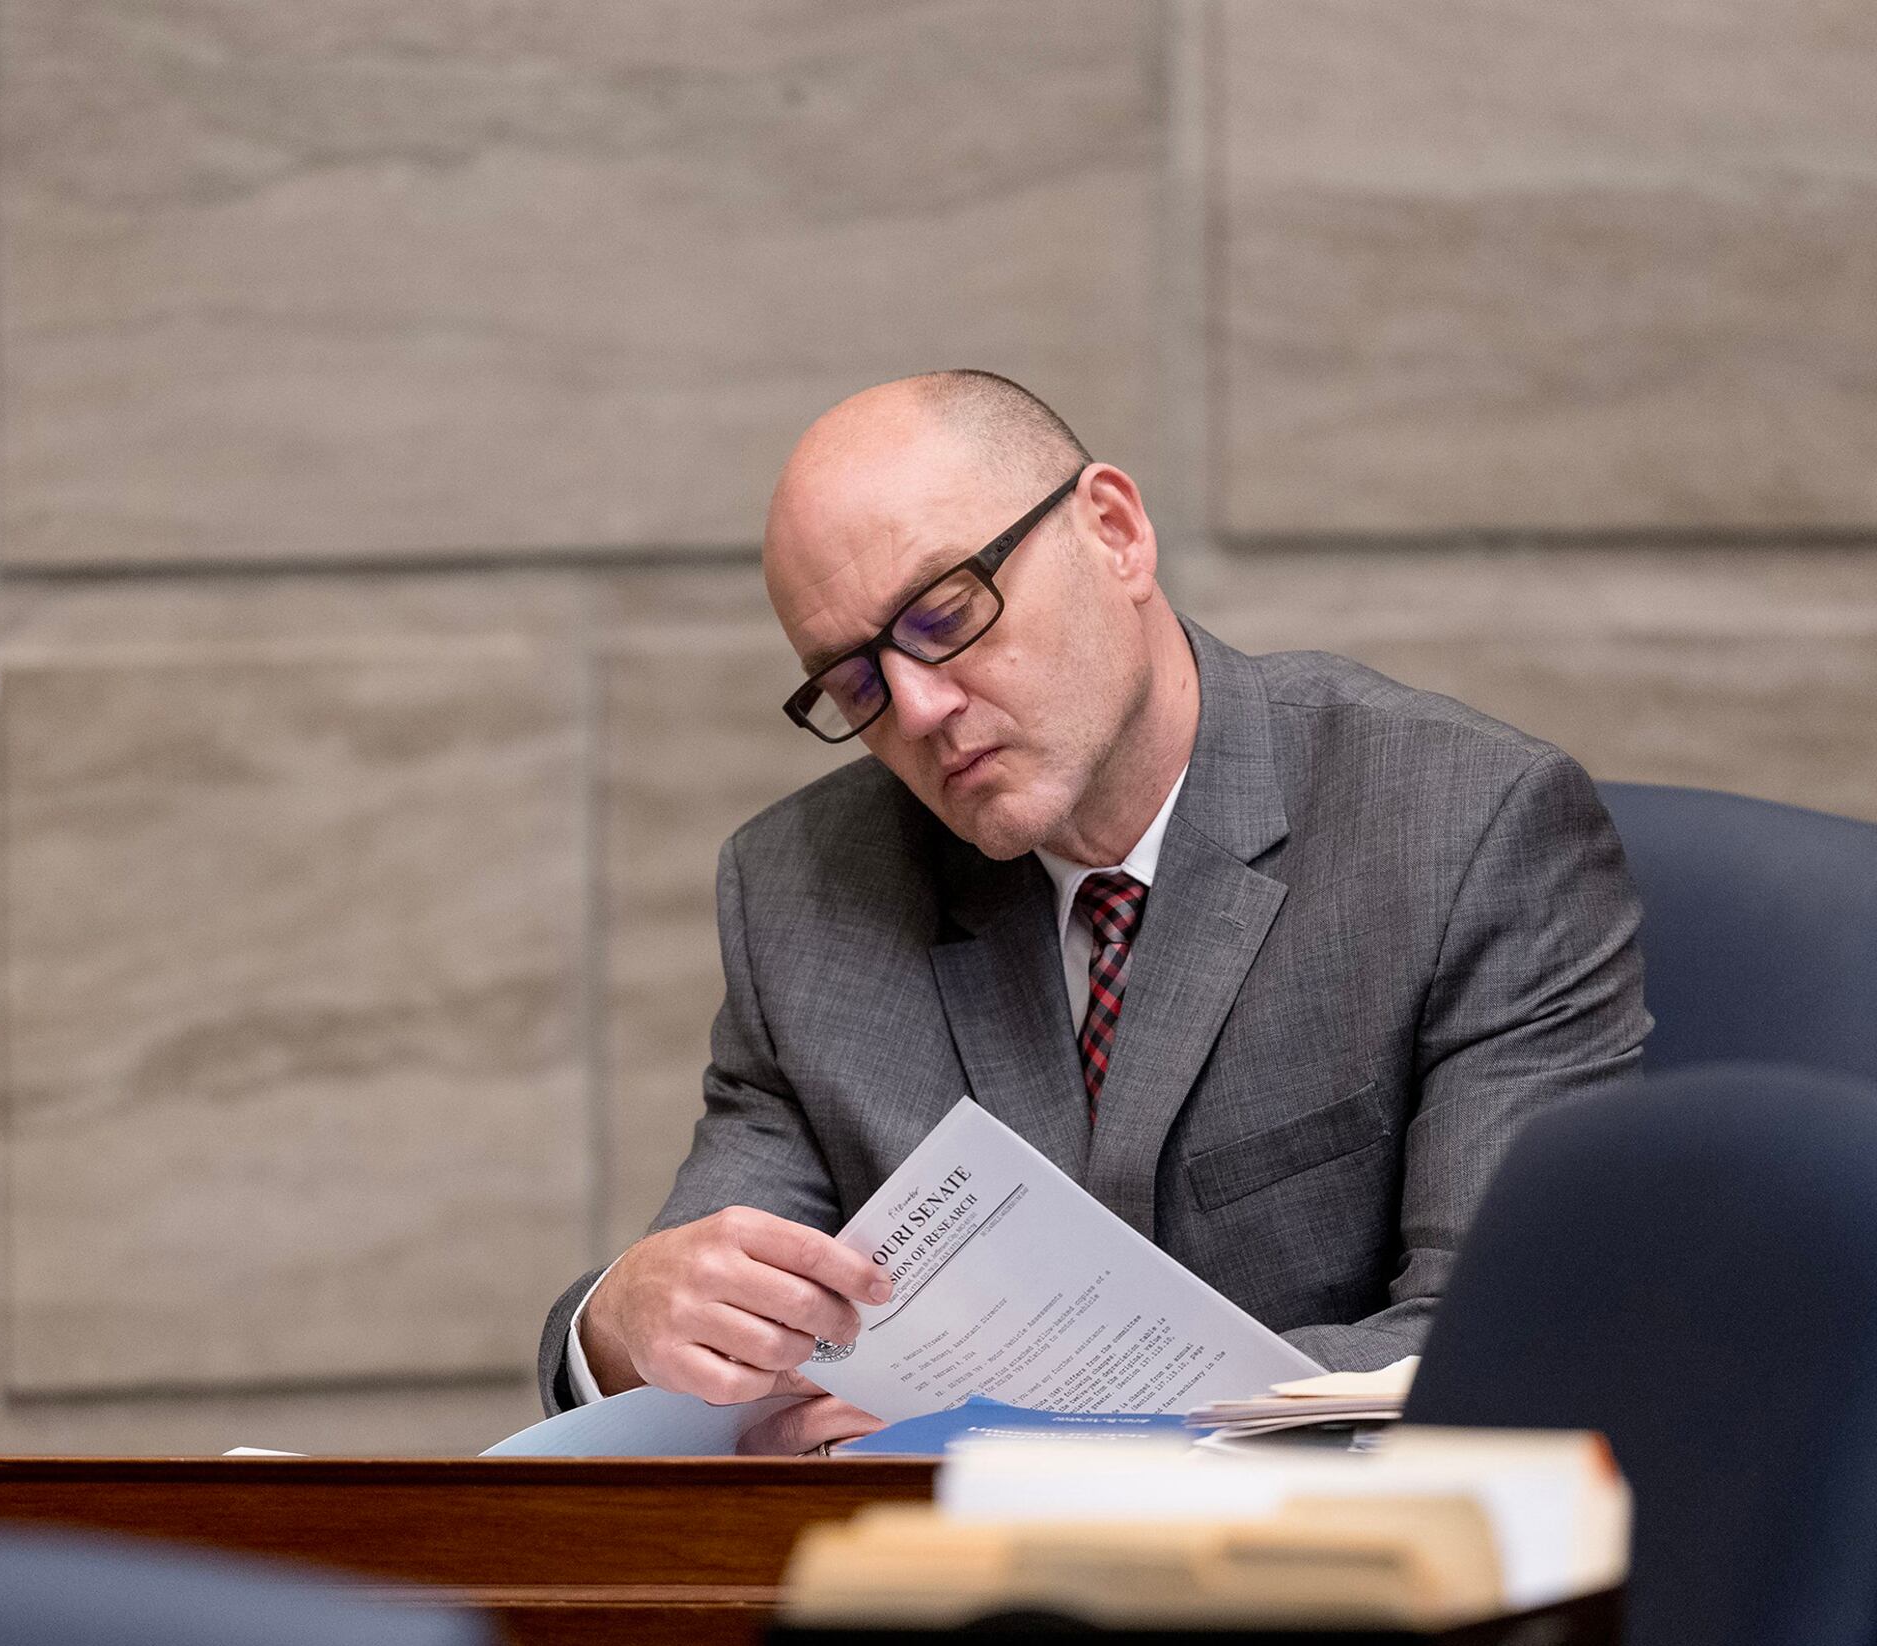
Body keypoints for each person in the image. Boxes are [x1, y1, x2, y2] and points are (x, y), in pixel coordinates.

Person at [539, 370, 1649, 1454]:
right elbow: (725, 1333)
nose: (918, 708)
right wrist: (620, 1324)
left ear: (1114, 531)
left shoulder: (1462, 824)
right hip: (939, 1608)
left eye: (944, 614)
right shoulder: (806, 891)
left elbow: (1495, 1344)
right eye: (853, 685)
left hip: (1331, 1590)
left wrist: (1023, 1438)